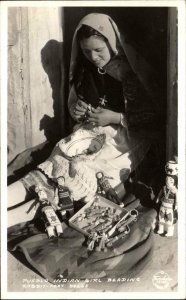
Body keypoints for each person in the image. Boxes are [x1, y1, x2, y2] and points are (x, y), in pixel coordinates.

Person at [8, 13, 161, 229]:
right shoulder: (86, 68)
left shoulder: (131, 73)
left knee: (74, 176)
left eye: (99, 50)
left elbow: (153, 118)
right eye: (86, 51)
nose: (93, 57)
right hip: (93, 132)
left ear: (112, 42)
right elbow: (85, 101)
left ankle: (10, 218)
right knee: (57, 162)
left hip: (125, 139)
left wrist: (116, 117)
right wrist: (79, 109)